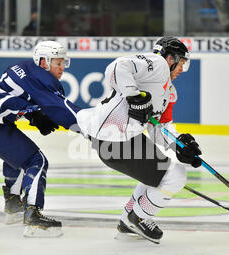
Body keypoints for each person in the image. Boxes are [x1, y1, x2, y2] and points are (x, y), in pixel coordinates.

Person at [76, 37, 202, 244]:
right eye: (181, 63)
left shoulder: (169, 92)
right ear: (171, 58)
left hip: (123, 139)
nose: (181, 68)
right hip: (112, 140)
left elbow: (159, 127)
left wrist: (180, 144)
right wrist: (134, 96)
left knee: (160, 175)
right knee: (175, 177)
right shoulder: (158, 64)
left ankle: (129, 217)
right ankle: (138, 218)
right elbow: (116, 67)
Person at [0, 41, 81, 237]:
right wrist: (89, 128)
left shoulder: (25, 69)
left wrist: (33, 114)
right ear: (43, 62)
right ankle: (33, 217)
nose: (62, 68)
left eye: (63, 63)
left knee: (17, 159)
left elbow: (15, 98)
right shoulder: (42, 79)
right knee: (36, 161)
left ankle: (13, 205)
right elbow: (62, 111)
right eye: (57, 63)